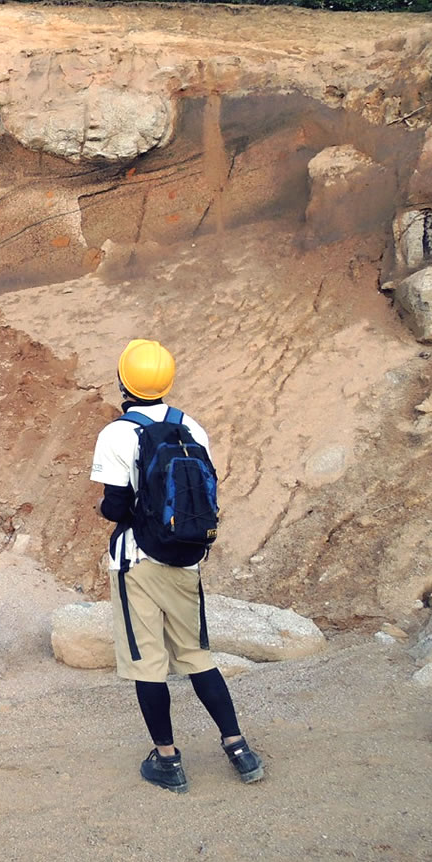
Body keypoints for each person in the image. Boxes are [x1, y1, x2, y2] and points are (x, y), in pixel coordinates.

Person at [89, 339, 264, 793]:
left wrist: (106, 513)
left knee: (147, 664)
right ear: (167, 381)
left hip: (137, 562)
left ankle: (167, 761)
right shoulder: (193, 428)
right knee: (196, 657)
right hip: (186, 559)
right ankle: (239, 749)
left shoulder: (117, 434)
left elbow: (115, 505)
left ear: (124, 381)